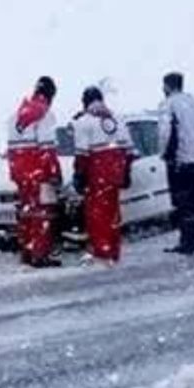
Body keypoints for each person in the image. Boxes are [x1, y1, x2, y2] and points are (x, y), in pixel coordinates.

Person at [70, 86, 136, 263]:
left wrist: (79, 175)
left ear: (85, 102)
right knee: (113, 212)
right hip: (115, 173)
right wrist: (125, 172)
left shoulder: (84, 122)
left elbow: (82, 154)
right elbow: (129, 150)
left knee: (97, 214)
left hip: (96, 174)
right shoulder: (118, 119)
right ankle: (114, 250)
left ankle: (102, 250)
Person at [158, 71, 194, 254]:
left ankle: (187, 242)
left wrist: (164, 154)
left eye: (164, 86)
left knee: (183, 203)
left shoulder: (168, 105)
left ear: (167, 86)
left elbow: (165, 133)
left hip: (181, 161)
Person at [6, 77, 63, 267]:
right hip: (39, 172)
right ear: (51, 95)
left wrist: (15, 173)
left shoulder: (14, 116)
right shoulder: (45, 115)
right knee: (42, 214)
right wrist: (54, 173)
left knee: (26, 212)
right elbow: (47, 149)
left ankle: (27, 252)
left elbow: (12, 150)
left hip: (20, 173)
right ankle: (40, 254)